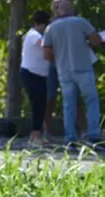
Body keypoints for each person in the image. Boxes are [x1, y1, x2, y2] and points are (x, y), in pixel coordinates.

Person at [42, 0, 103, 145]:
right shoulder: (80, 22)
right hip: (82, 67)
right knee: (91, 101)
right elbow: (97, 40)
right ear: (71, 9)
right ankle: (93, 135)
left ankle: (70, 138)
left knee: (69, 104)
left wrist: (60, 58)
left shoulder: (50, 28)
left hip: (63, 70)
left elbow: (47, 54)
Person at [20, 10, 51, 144]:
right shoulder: (33, 35)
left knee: (41, 105)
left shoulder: (36, 34)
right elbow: (45, 46)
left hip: (39, 75)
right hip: (31, 74)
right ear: (44, 24)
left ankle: (36, 135)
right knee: (37, 105)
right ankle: (35, 136)